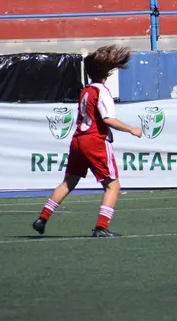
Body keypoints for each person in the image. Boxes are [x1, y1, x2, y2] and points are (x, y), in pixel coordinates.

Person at [32, 45, 142, 237]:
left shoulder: (86, 91)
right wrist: (131, 129)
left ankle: (42, 218)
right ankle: (101, 227)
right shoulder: (102, 92)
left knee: (68, 182)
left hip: (78, 140)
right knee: (112, 185)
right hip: (95, 141)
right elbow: (107, 119)